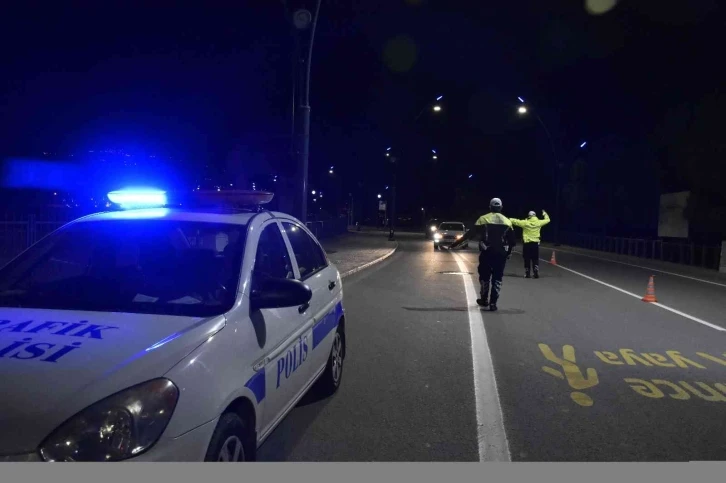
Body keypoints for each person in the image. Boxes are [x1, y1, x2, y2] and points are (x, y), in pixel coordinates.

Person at [450, 198, 516, 311]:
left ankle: (484, 299)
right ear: (501, 207)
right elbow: (512, 241)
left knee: (484, 276)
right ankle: (493, 303)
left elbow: (469, 235)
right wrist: (508, 253)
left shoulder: (483, 219)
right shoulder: (507, 221)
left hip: (487, 252)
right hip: (501, 254)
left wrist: (454, 244)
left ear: (490, 207)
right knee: (497, 278)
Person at [510, 210, 550, 279]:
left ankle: (527, 273)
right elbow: (547, 220)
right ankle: (535, 272)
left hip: (527, 244)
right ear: (535, 215)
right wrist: (544, 213)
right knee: (535, 258)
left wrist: (508, 219)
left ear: (529, 216)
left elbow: (516, 221)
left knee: (527, 259)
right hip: (535, 244)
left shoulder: (525, 223)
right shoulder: (539, 222)